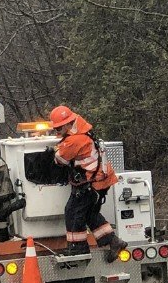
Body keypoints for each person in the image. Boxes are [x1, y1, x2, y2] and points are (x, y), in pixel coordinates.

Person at [49, 105, 127, 262]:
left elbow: (60, 159)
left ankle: (78, 249)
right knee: (90, 214)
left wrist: (55, 150)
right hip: (100, 180)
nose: (57, 131)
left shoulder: (74, 140)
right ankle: (114, 241)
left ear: (66, 125)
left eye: (58, 128)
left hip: (91, 183)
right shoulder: (82, 130)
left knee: (73, 212)